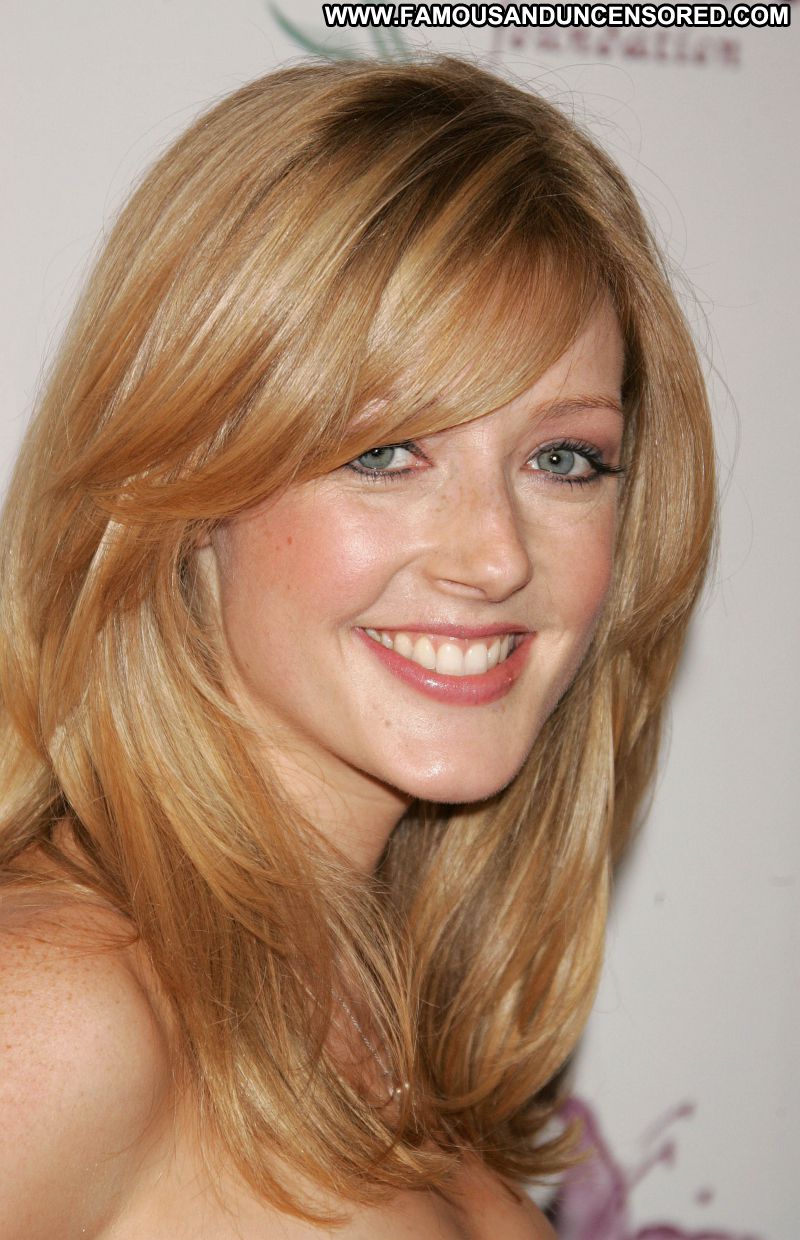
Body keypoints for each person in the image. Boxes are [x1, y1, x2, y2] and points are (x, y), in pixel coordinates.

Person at [0, 56, 715, 1238]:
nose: (495, 555)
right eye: (384, 453)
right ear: (183, 488)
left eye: (562, 459)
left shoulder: (405, 1030)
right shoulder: (60, 1011)